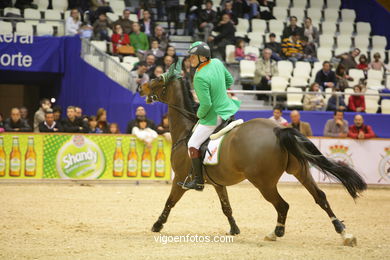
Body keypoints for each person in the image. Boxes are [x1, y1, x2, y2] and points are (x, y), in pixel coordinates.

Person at [178, 41, 241, 191]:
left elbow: (206, 105)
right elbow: (230, 81)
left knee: (192, 144)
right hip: (228, 109)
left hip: (214, 116)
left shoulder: (199, 77)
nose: (190, 59)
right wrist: (218, 90)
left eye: (193, 57)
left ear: (202, 57)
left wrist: (199, 115)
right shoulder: (217, 62)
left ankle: (198, 181)